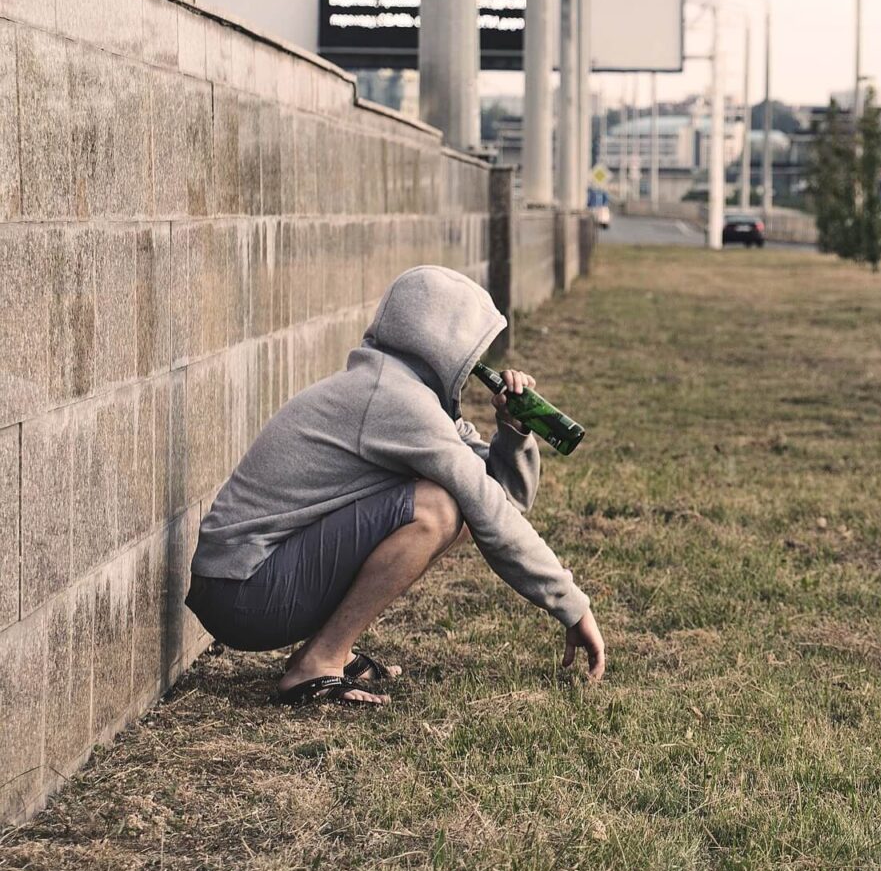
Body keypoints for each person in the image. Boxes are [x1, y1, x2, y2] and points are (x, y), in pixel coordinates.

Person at [186, 265, 605, 706]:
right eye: (474, 348)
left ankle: (330, 651)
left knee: (455, 508)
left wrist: (514, 432)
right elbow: (490, 510)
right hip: (243, 591)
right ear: (444, 344)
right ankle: (318, 663)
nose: (479, 363)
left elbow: (503, 500)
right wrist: (572, 607)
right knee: (437, 508)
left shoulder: (407, 393)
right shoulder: (395, 401)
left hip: (248, 581)